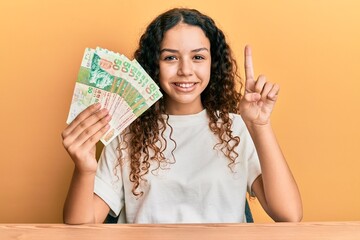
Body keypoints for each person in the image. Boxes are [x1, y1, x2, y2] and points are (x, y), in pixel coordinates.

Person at [62, 8, 302, 224]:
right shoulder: (126, 133)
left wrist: (260, 125)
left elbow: (289, 214)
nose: (185, 70)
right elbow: (82, 226)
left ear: (213, 64)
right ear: (153, 65)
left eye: (198, 57)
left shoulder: (236, 128)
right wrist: (84, 169)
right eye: (170, 57)